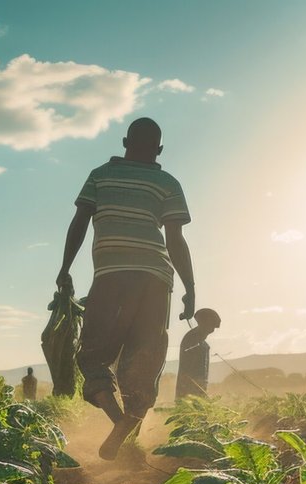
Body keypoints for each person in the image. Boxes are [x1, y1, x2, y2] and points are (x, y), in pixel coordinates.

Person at [56, 117, 196, 460]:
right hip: (155, 279)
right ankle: (126, 431)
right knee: (143, 361)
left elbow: (79, 222)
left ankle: (119, 423)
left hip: (112, 277)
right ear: (159, 149)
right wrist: (190, 287)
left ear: (124, 142)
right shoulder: (168, 183)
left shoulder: (100, 175)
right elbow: (175, 240)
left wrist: (65, 268)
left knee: (92, 357)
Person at [175, 307, 220, 400]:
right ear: (203, 323)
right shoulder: (192, 339)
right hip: (189, 389)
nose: (212, 330)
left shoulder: (202, 343)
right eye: (211, 326)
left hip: (198, 387)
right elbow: (189, 367)